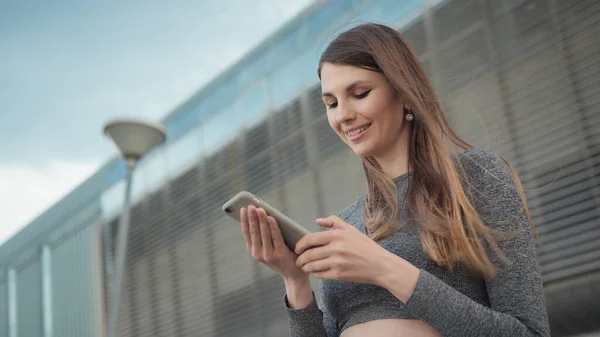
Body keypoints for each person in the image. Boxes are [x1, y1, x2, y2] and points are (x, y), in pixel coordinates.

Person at [239, 23, 550, 337]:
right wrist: (295, 282)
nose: (342, 115)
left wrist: (383, 268)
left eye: (359, 93)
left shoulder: (477, 176)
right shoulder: (346, 224)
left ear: (404, 93)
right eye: (331, 104)